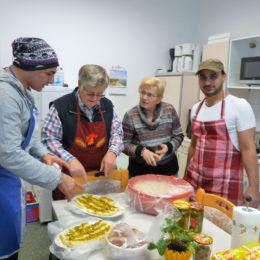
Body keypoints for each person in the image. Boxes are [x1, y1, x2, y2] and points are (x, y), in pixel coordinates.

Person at [0, 37, 85, 260]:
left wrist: (44, 154)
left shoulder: (23, 91)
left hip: (10, 179)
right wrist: (57, 179)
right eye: (49, 73)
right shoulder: (5, 95)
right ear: (30, 67)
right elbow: (8, 153)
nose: (52, 79)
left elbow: (29, 136)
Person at [184, 58, 260, 208]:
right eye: (203, 77)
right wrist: (185, 178)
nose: (207, 82)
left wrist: (254, 186)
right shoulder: (196, 109)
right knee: (191, 227)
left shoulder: (239, 106)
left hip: (223, 185)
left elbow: (248, 149)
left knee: (219, 229)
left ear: (223, 77)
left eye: (213, 76)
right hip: (195, 182)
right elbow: (193, 146)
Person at [41, 64, 124, 199]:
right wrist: (70, 160)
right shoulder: (61, 107)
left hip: (100, 177)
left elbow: (117, 134)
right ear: (80, 84)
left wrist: (112, 152)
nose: (94, 98)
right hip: (70, 178)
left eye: (99, 94)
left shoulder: (107, 106)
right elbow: (49, 140)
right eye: (90, 93)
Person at [122, 76, 184, 177]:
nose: (144, 97)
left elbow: (179, 135)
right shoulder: (130, 115)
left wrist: (169, 147)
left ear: (159, 99)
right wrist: (142, 151)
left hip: (168, 170)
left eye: (150, 95)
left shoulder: (169, 110)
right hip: (139, 172)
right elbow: (123, 144)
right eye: (143, 92)